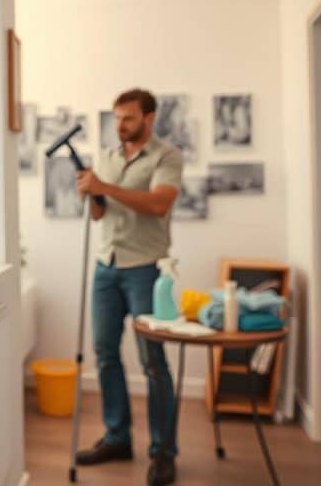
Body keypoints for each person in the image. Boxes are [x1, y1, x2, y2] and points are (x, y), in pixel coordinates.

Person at [74, 88, 184, 486]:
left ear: (148, 118)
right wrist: (90, 193)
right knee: (105, 355)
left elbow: (158, 204)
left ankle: (163, 453)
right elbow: (99, 215)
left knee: (152, 363)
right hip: (106, 267)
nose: (120, 125)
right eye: (117, 117)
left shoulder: (166, 157)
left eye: (128, 118)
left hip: (145, 270)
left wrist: (105, 188)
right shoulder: (107, 157)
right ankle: (117, 437)